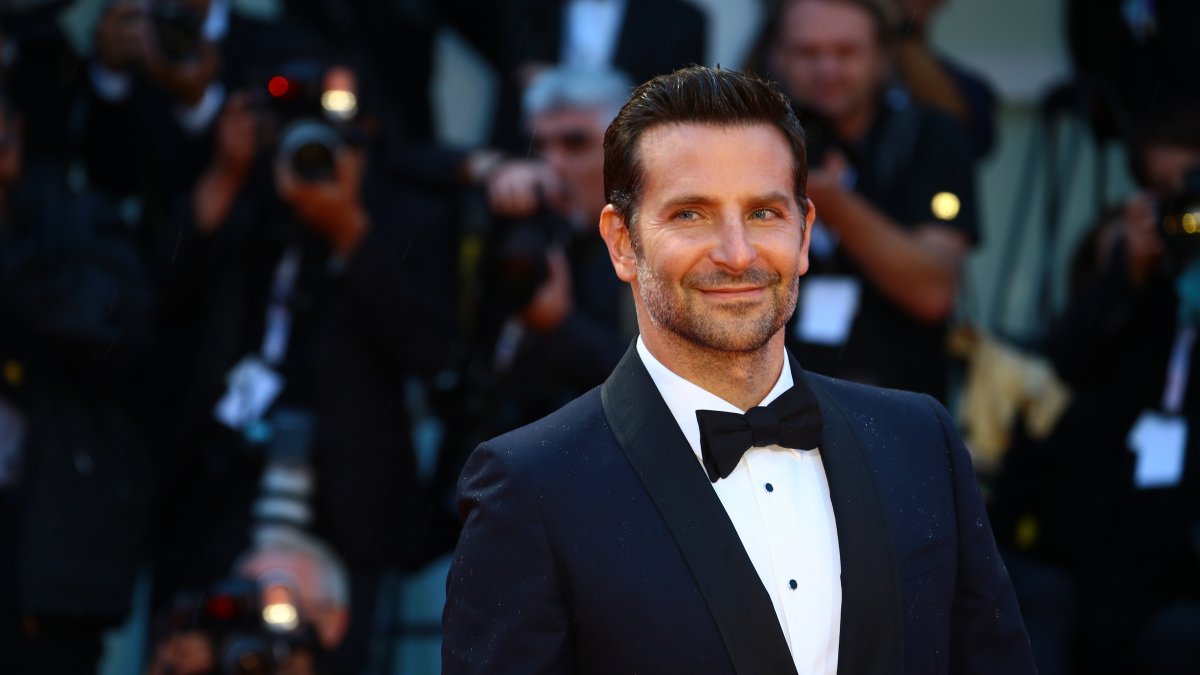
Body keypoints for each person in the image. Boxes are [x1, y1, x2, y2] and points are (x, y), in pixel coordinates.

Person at [442, 65, 1034, 674]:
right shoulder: (532, 485)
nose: (737, 254)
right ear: (623, 242)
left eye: (763, 214)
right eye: (691, 215)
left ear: (804, 233)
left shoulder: (919, 441)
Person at [766, 0, 979, 401]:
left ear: (882, 57)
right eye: (808, 52)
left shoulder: (931, 136)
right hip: (770, 396)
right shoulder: (753, 139)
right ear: (777, 56)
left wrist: (833, 203)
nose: (827, 69)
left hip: (899, 398)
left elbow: (934, 290)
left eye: (846, 52)